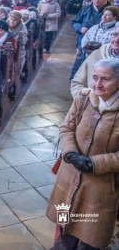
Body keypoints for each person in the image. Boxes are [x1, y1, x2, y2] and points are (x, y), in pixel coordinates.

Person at [47, 58, 119, 250]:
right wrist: (70, 152)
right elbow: (66, 127)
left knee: (90, 237)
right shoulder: (83, 98)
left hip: (100, 186)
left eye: (105, 79)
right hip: (68, 177)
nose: (97, 84)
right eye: (94, 78)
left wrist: (94, 163)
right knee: (63, 227)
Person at [70, 0, 110, 80]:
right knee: (79, 64)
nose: (96, 1)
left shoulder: (110, 11)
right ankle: (76, 82)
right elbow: (75, 22)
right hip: (83, 43)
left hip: (102, 47)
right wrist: (80, 28)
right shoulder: (86, 9)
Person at [71, 26, 119, 97]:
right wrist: (86, 102)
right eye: (115, 34)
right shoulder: (95, 55)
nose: (117, 39)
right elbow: (77, 83)